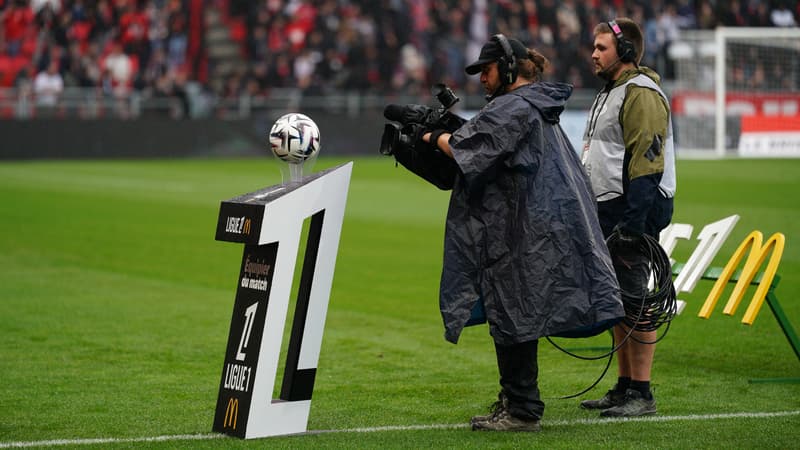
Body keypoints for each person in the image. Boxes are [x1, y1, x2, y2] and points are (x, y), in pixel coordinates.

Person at [416, 35, 623, 432]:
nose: (483, 79)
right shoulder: (528, 104)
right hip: (531, 222)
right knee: (512, 312)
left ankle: (523, 410)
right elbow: (482, 143)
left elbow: (468, 149)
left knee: (515, 313)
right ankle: (515, 400)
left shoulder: (516, 106)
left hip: (524, 227)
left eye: (487, 70)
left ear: (509, 68)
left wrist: (428, 136)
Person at [578, 18, 676, 417]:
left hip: (631, 210)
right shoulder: (613, 91)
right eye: (594, 47)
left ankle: (642, 392)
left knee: (636, 302)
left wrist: (634, 223)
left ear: (627, 51)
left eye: (601, 47)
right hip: (609, 208)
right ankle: (623, 387)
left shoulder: (640, 92)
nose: (594, 54)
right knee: (618, 301)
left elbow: (647, 160)